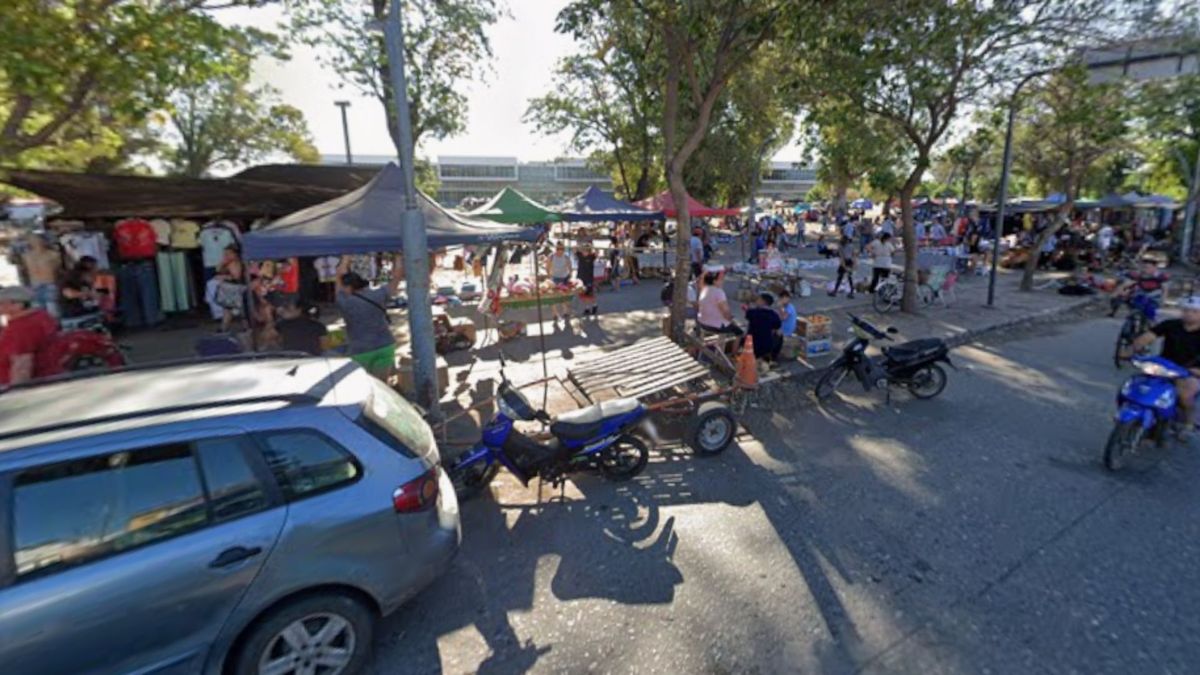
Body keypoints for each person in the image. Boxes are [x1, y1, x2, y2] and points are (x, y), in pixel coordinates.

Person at [1128, 296, 1200, 437]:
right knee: (1136, 385)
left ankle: (1188, 423)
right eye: (1186, 310)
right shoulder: (1171, 325)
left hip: (1190, 372)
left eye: (1195, 311)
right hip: (1163, 367)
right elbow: (1149, 336)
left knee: (1185, 395)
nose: (1189, 314)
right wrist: (1133, 349)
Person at [336, 255, 402, 379]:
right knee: (381, 384)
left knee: (364, 384)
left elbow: (339, 276)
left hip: (360, 349)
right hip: (385, 345)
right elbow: (397, 276)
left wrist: (345, 258)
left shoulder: (344, 302)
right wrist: (398, 257)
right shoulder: (379, 294)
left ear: (349, 287)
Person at [0, 286, 58, 386]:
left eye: (2, 303)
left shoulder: (21, 327)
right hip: (50, 377)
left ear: (18, 305)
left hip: (34, 383)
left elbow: (22, 365)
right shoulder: (41, 316)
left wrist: (16, 391)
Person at [21, 234, 62, 318]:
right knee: (39, 311)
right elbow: (24, 272)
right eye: (33, 240)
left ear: (44, 241)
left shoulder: (53, 254)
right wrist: (26, 286)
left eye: (39, 240)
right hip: (34, 285)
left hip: (50, 283)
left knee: (53, 310)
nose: (37, 242)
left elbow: (58, 269)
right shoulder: (26, 256)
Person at [697, 270, 740, 335]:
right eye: (721, 280)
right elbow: (726, 313)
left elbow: (700, 280)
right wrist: (732, 320)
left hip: (702, 322)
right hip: (716, 326)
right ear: (714, 281)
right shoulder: (719, 292)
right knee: (740, 332)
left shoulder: (704, 289)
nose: (723, 281)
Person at [745, 292, 783, 362]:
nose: (756, 301)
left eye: (758, 299)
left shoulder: (752, 312)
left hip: (751, 344)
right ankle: (773, 357)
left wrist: (748, 304)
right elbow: (777, 327)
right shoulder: (774, 315)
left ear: (762, 301)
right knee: (779, 336)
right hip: (766, 345)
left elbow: (748, 315)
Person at [546, 242, 572, 324]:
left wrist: (570, 276)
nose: (560, 251)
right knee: (553, 297)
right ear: (555, 249)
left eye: (562, 249)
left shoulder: (566, 257)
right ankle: (555, 314)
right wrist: (549, 277)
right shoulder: (551, 256)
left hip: (564, 278)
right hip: (555, 278)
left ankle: (565, 312)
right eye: (558, 249)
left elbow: (570, 267)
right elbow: (547, 267)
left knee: (565, 297)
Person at [576, 242, 599, 316]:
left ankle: (595, 305)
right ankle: (587, 308)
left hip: (589, 278)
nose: (584, 252)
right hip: (581, 278)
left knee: (590, 294)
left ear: (588, 251)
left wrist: (592, 247)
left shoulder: (591, 257)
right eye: (583, 250)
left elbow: (597, 252)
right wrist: (579, 246)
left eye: (586, 250)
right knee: (583, 294)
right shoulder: (579, 255)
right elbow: (575, 249)